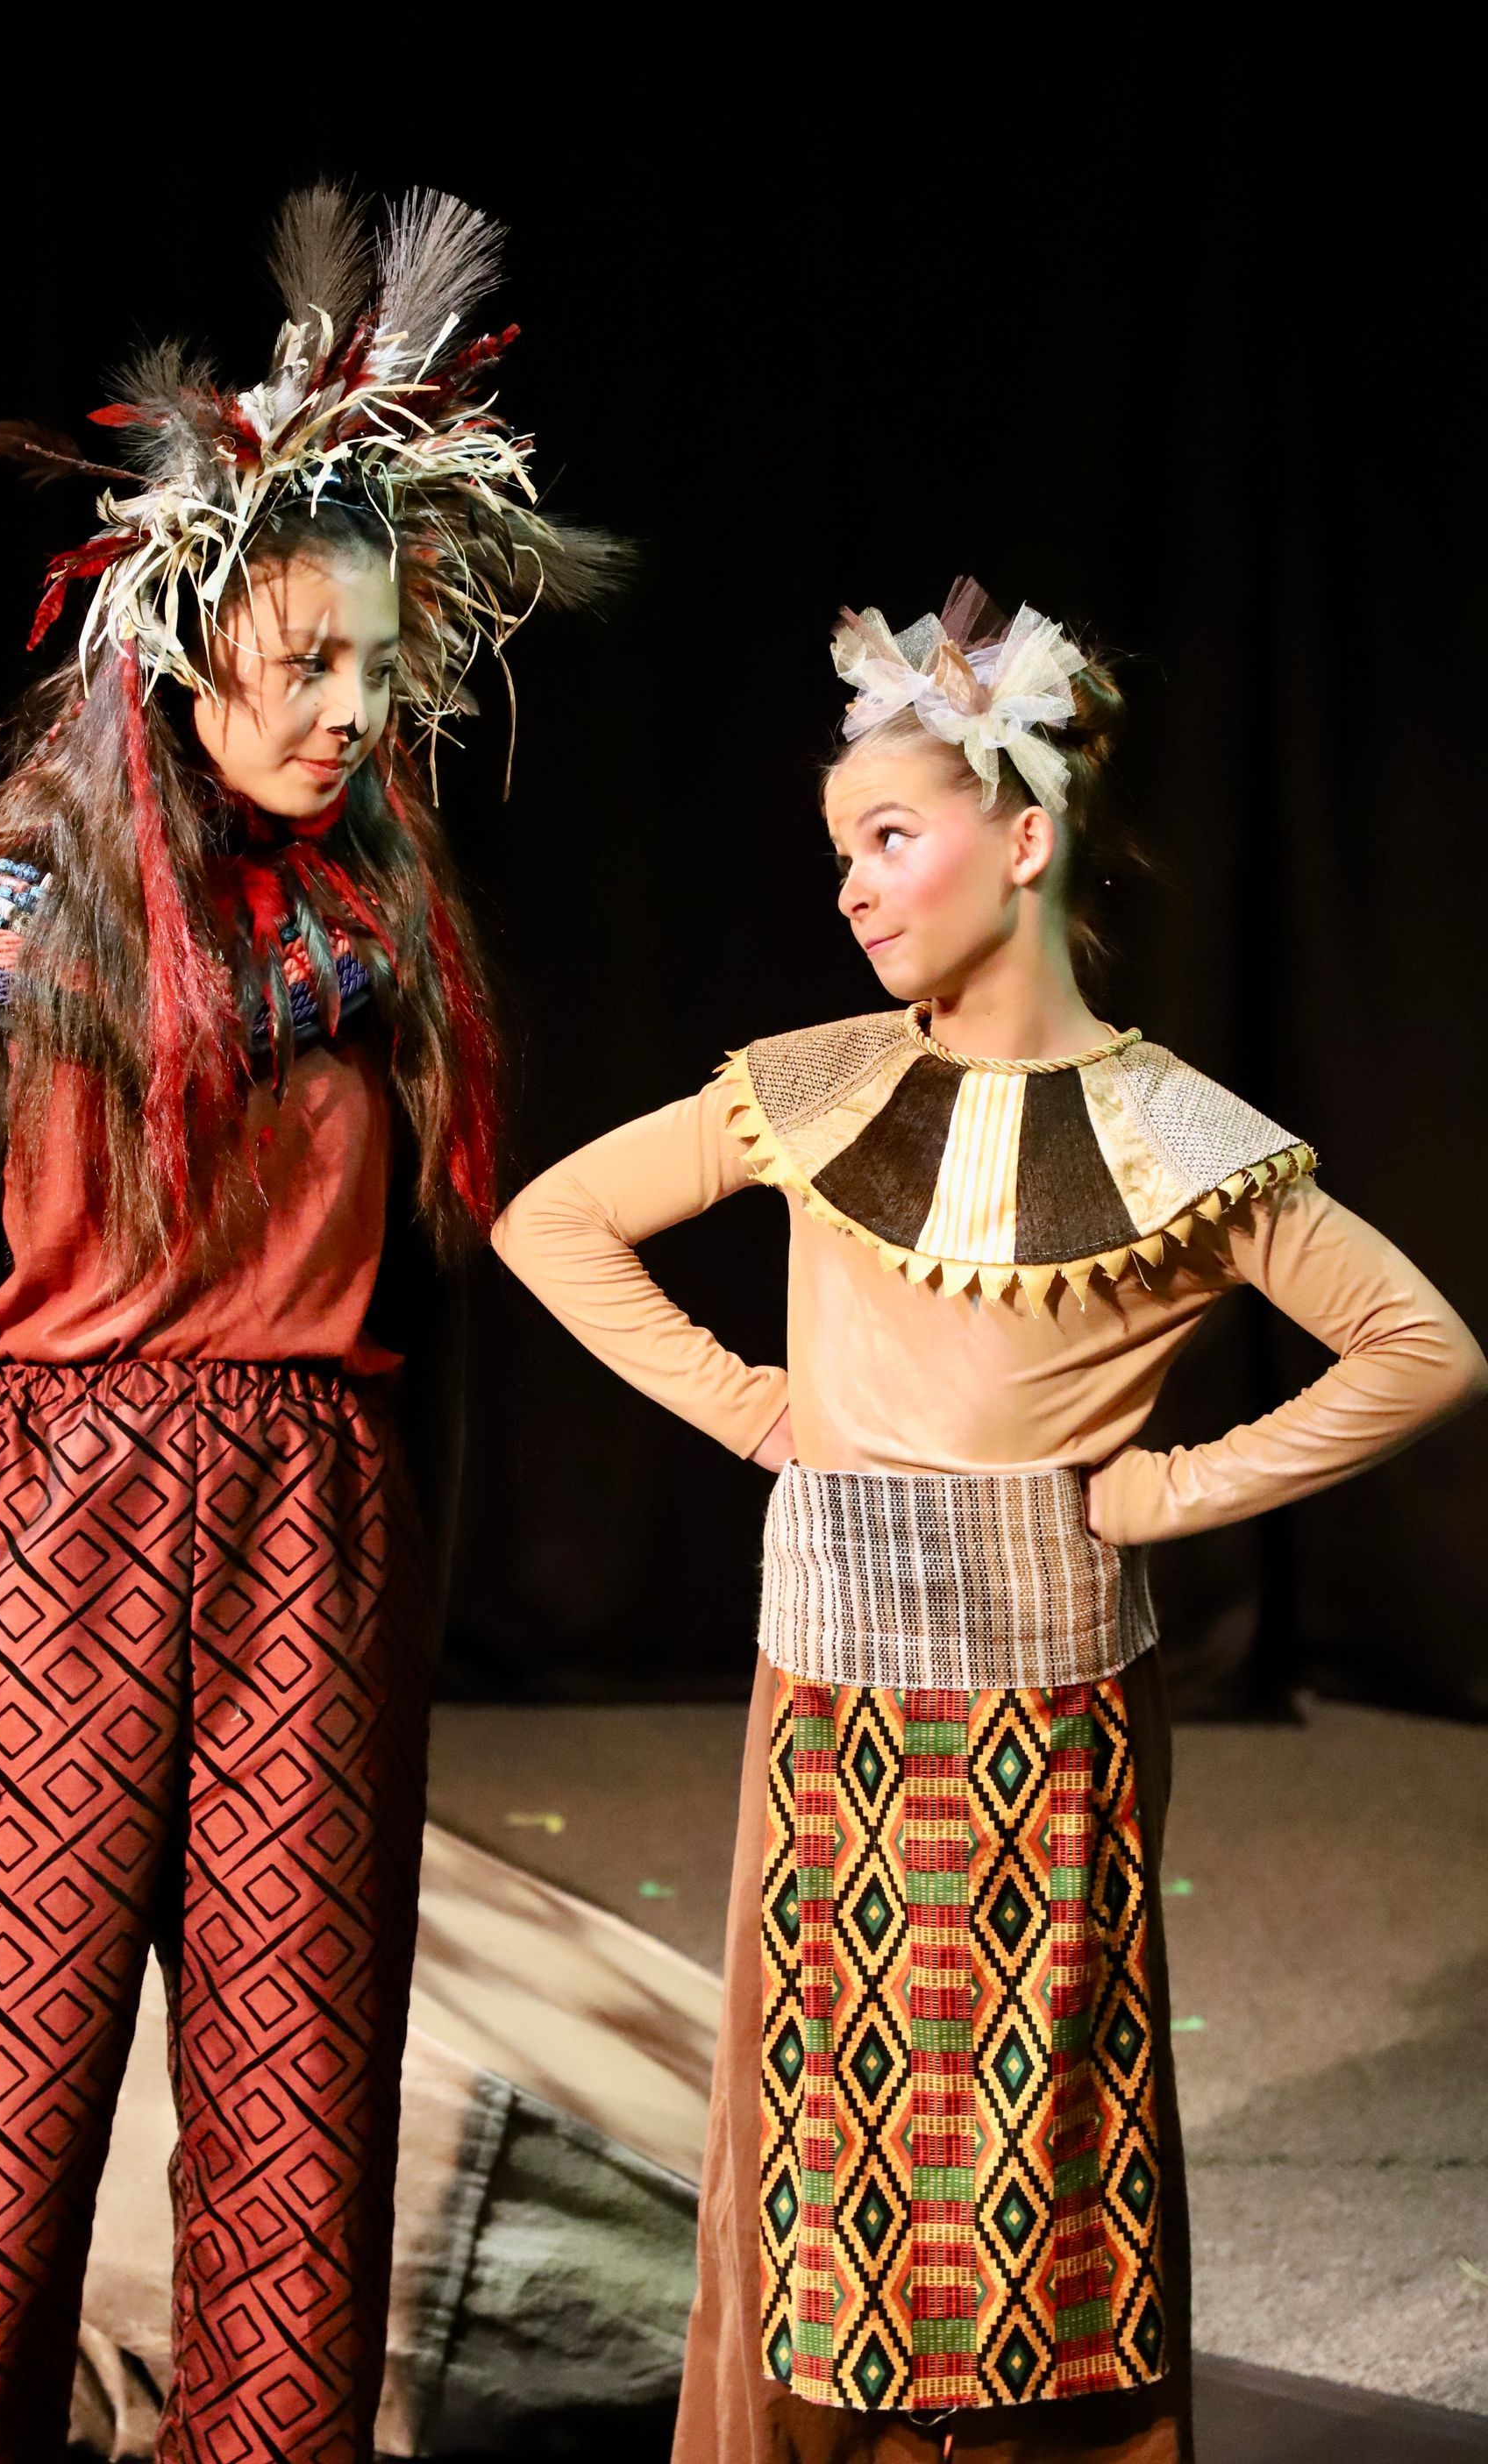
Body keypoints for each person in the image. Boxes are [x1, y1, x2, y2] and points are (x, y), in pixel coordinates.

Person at [490, 578, 1484, 2462]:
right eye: (840, 854)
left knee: (1046, 2145)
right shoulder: (815, 1088)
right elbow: (554, 1220)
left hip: (1049, 1718)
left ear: (1024, 842)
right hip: (833, 1697)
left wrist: (1179, 1487)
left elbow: (1420, 1348)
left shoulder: (1177, 1136)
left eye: (890, 839)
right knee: (823, 2140)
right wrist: (752, 1405)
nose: (853, 891)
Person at [0, 182, 614, 2464]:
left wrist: (389, 1647)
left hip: (313, 1555)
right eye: (307, 665)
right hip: (48, 1548)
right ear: (181, 652)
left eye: (380, 666)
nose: (356, 712)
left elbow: (424, 1348)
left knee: (301, 2165)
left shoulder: (381, 941)